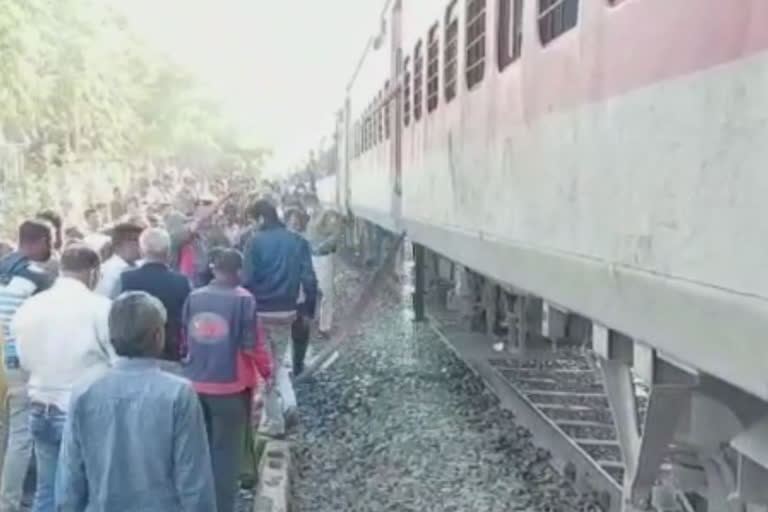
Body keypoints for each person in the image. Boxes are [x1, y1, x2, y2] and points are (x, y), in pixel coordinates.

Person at [55, 292, 216, 512]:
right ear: (157, 335)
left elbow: (70, 474)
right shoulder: (178, 394)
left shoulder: (84, 391)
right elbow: (193, 478)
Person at [13, 245, 113, 512]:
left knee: (47, 489)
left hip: (40, 403)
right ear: (93, 272)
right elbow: (116, 359)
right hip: (83, 408)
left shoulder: (30, 306)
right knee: (86, 490)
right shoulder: (100, 308)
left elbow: (21, 359)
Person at [182, 249, 271, 512]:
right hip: (231, 389)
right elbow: (252, 345)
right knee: (226, 457)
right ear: (239, 271)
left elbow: (184, 341)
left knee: (199, 451)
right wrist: (268, 372)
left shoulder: (193, 297)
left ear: (213, 269)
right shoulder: (244, 300)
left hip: (195, 386)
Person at [242, 199, 317, 436]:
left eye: (253, 221)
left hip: (261, 311)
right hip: (287, 311)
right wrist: (308, 311)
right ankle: (290, 405)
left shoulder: (253, 242)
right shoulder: (298, 240)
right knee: (276, 360)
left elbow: (247, 279)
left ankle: (275, 422)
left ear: (261, 219)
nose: (252, 226)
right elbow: (309, 280)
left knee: (266, 367)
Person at [0, 220, 53, 512]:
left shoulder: (2, 267)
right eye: (51, 241)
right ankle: (8, 504)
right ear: (41, 241)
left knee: (4, 430)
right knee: (21, 434)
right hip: (14, 360)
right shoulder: (39, 279)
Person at [120, 228, 191, 361]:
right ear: (168, 252)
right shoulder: (181, 282)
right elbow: (187, 318)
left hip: (134, 353)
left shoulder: (126, 279)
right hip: (170, 351)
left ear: (141, 252)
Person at [95, 223, 142, 298]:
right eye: (135, 240)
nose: (140, 245)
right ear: (118, 244)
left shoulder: (140, 265)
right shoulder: (108, 271)